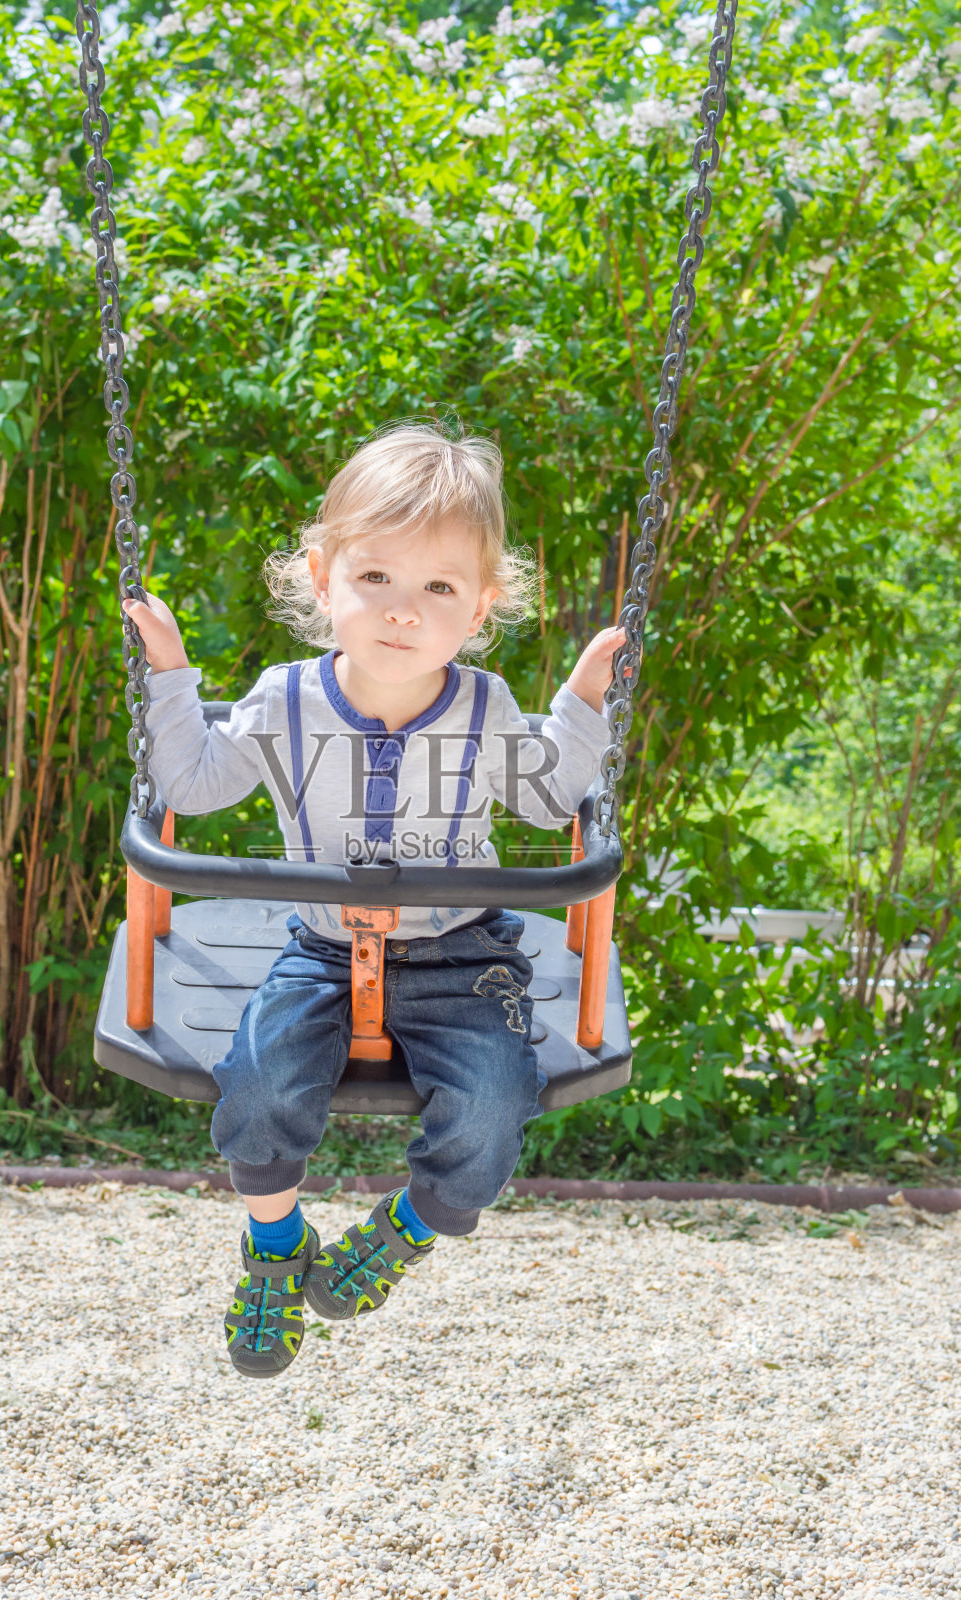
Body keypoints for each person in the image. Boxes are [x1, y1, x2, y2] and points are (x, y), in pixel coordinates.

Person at [125, 421, 626, 1379]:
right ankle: (275, 1246)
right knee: (257, 1087)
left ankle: (408, 1226)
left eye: (437, 588)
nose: (402, 612)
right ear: (323, 578)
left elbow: (548, 797)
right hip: (320, 947)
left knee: (495, 1108)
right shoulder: (282, 699)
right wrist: (170, 672)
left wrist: (582, 700)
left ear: (478, 608)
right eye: (376, 578)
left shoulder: (484, 706)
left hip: (463, 955)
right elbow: (189, 783)